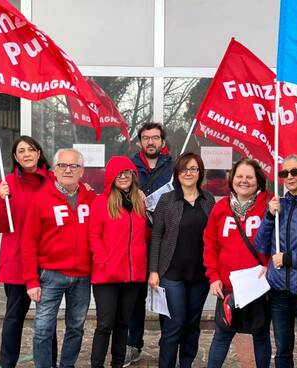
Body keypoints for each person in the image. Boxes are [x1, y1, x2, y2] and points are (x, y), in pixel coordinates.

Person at [0, 135, 57, 368]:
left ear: (38, 153)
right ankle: (7, 364)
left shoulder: (54, 181)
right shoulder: (6, 184)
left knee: (47, 319)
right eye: (21, 151)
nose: (27, 154)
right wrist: (0, 199)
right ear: (15, 157)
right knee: (14, 318)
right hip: (17, 261)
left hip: (48, 260)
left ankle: (49, 362)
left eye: (31, 149)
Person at [20, 148, 95, 368]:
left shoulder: (91, 198)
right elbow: (28, 242)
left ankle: (67, 365)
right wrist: (31, 281)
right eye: (62, 165)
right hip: (51, 275)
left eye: (74, 166)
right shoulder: (41, 199)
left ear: (82, 171)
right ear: (54, 169)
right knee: (43, 329)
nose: (68, 170)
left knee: (76, 327)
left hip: (82, 276)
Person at [255, 155, 297, 368]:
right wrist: (268, 215)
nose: (289, 177)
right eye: (285, 173)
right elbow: (261, 245)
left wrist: (288, 259)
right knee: (282, 352)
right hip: (278, 292)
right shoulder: (279, 204)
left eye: (295, 172)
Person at [147, 152, 216, 368]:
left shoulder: (208, 200)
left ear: (200, 172)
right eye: (184, 169)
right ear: (177, 173)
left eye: (193, 169)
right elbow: (156, 236)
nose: (189, 173)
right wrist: (154, 270)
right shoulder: (167, 200)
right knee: (174, 324)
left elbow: (214, 237)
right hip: (171, 273)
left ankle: (186, 363)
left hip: (199, 274)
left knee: (192, 324)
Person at [203, 158, 272, 368]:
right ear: (232, 179)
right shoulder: (221, 207)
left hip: (258, 285)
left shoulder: (269, 204)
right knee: (222, 335)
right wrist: (213, 276)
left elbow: (278, 242)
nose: (244, 181)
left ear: (258, 180)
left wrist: (270, 267)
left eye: (249, 177)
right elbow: (210, 244)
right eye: (239, 176)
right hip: (228, 285)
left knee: (260, 335)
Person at [89, 156, 148, 368]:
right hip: (107, 274)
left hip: (132, 275)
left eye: (127, 173)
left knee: (123, 324)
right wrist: (104, 261)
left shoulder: (140, 202)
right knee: (105, 324)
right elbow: (94, 235)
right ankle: (97, 364)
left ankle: (117, 363)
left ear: (133, 176)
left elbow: (145, 236)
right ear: (111, 177)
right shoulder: (100, 202)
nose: (123, 177)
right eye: (118, 173)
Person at [126, 122, 174, 366]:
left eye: (156, 138)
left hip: (166, 241)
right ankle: (133, 345)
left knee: (165, 295)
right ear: (140, 142)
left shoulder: (174, 167)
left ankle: (168, 344)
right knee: (134, 298)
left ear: (163, 142)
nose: (151, 142)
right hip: (136, 240)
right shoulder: (129, 166)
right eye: (146, 138)